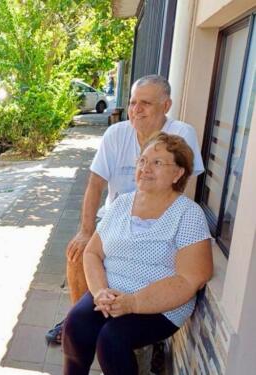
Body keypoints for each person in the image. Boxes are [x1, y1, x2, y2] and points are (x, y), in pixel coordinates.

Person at [45, 74, 204, 345]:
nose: (136, 110)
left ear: (166, 106)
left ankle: (139, 322)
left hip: (159, 217)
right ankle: (83, 317)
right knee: (76, 254)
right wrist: (86, 231)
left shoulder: (181, 134)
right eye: (132, 103)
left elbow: (186, 187)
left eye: (145, 103)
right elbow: (95, 184)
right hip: (117, 215)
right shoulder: (116, 133)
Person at [62, 132, 213, 375]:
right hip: (110, 293)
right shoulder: (122, 203)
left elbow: (191, 278)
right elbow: (92, 253)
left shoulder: (188, 214)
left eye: (157, 163)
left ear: (178, 173)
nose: (145, 168)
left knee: (112, 340)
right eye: (142, 161)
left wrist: (134, 302)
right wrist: (100, 291)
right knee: (75, 326)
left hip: (160, 306)